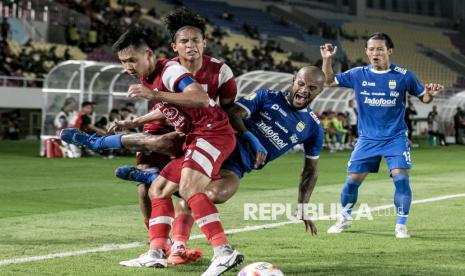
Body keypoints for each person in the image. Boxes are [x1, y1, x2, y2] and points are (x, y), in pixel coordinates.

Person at [61, 26, 241, 275]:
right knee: (157, 189)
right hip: (194, 136)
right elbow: (169, 106)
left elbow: (199, 97)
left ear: (148, 54)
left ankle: (224, 252)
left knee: (189, 188)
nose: (128, 67)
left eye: (132, 60)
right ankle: (156, 252)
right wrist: (135, 120)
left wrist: (154, 94)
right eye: (123, 62)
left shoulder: (170, 70)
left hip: (212, 132)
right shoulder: (149, 77)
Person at [116, 66, 326, 265]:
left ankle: (152, 178)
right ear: (293, 80)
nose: (304, 90)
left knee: (211, 195)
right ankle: (178, 245)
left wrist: (303, 206)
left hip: (237, 167)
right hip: (219, 148)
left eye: (312, 88)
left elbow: (311, 171)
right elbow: (234, 112)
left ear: (320, 91)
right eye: (301, 84)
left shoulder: (313, 127)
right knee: (166, 151)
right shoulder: (267, 97)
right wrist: (253, 138)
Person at [320, 32, 444, 238]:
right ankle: (344, 217)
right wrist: (327, 60)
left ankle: (401, 226)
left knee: (401, 179)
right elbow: (329, 81)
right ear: (366, 52)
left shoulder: (404, 76)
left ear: (389, 51)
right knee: (352, 182)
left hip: (395, 138)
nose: (375, 53)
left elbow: (425, 98)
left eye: (379, 49)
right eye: (371, 49)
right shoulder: (358, 74)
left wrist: (431, 93)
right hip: (367, 139)